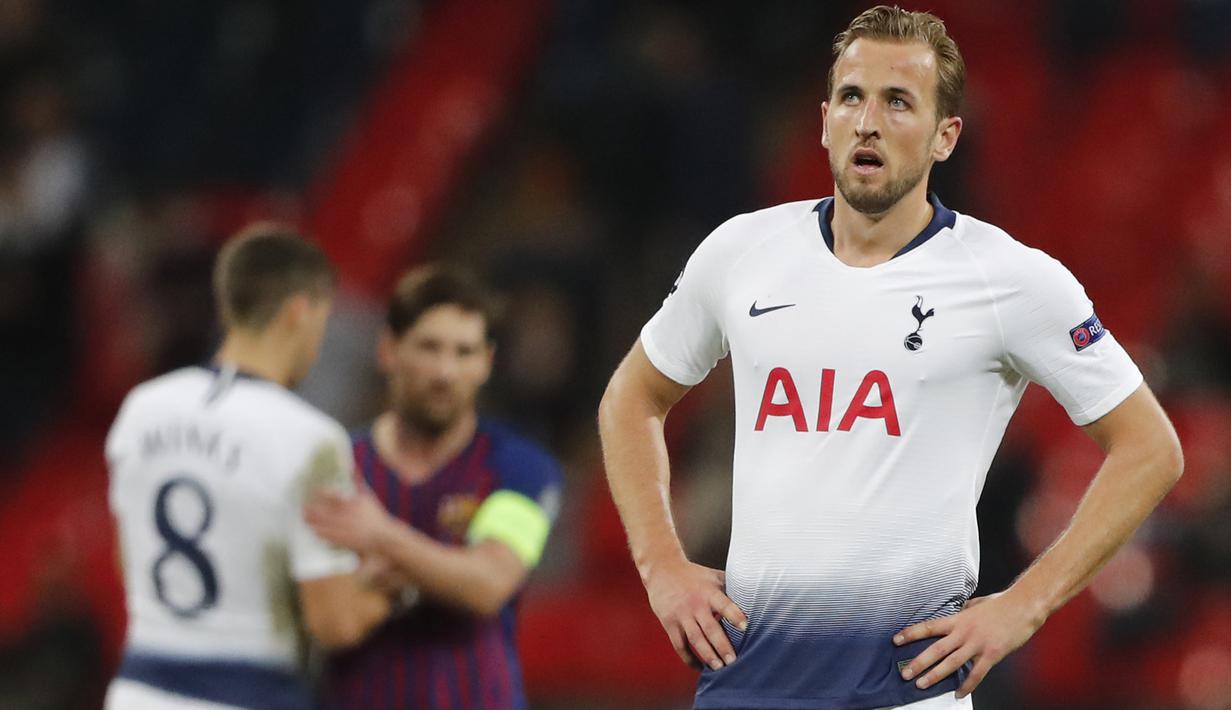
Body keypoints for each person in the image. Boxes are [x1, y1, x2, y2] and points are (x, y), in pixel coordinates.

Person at [597, 6, 1183, 710]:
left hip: (907, 693)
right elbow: (630, 398)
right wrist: (662, 565)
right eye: (851, 97)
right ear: (822, 121)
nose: (866, 121)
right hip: (745, 684)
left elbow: (1149, 448)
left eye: (897, 102)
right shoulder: (740, 252)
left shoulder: (1010, 279)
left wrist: (1021, 605)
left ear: (945, 137)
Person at [103, 225, 392, 710]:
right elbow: (335, 623)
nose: (319, 343)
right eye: (323, 318)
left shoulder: (142, 408)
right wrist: (395, 586)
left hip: (139, 691)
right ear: (299, 312)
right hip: (249, 694)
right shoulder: (310, 439)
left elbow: (129, 559)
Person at [303, 264, 563, 710]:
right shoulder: (334, 467)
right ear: (388, 350)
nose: (445, 371)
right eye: (429, 347)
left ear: (487, 363)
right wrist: (440, 572)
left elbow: (488, 584)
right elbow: (332, 619)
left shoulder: (523, 468)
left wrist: (380, 539)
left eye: (464, 352)